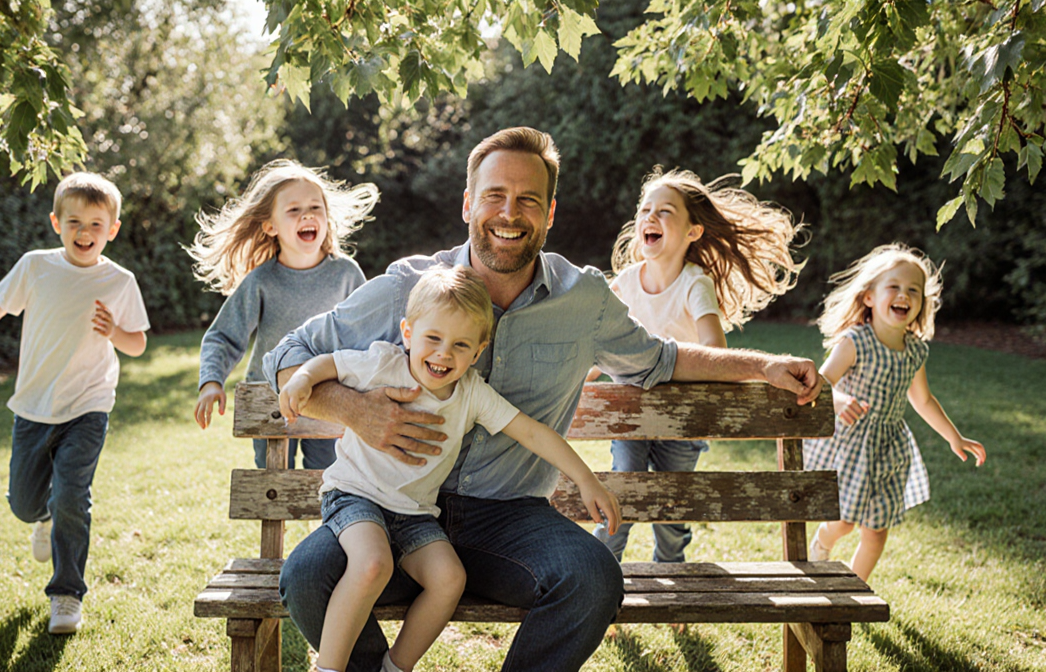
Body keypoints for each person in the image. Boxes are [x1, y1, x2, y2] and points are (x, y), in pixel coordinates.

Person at [265, 126, 822, 672]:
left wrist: (765, 365)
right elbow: (288, 357)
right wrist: (356, 411)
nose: (510, 213)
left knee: (592, 577)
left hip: (508, 519)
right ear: (468, 204)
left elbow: (663, 360)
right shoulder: (410, 288)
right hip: (388, 509)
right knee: (308, 576)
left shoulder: (583, 300)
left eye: (528, 200)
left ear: (549, 214)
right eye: (495, 197)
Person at [279, 265, 621, 672]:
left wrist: (584, 477)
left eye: (461, 345)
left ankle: (394, 667)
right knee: (372, 564)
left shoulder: (472, 393)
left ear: (478, 352)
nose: (443, 354)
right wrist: (301, 379)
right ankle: (329, 669)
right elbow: (328, 363)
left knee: (448, 580)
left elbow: (531, 432)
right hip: (357, 497)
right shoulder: (384, 365)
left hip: (415, 514)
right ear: (408, 333)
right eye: (433, 338)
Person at [0, 172, 149, 634]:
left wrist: (114, 332)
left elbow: (137, 343)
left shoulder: (120, 281)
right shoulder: (36, 266)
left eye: (96, 224)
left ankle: (66, 595)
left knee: (73, 497)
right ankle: (41, 516)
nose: (85, 233)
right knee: (23, 502)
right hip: (34, 407)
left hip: (89, 405)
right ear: (56, 222)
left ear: (112, 229)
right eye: (74, 221)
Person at [589, 167, 805, 563]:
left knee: (673, 510)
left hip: (681, 421)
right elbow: (596, 351)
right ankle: (603, 576)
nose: (650, 217)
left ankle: (672, 575)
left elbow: (714, 352)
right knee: (623, 494)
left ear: (693, 232)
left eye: (665, 211)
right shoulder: (624, 284)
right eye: (644, 210)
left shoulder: (694, 284)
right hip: (631, 417)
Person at [803, 243, 986, 581]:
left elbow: (924, 400)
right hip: (852, 445)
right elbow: (821, 382)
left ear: (920, 304)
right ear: (869, 296)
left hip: (890, 449)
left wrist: (954, 437)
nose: (904, 295)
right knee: (843, 522)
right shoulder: (855, 342)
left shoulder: (915, 351)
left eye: (913, 290)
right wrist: (840, 401)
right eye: (895, 287)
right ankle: (821, 543)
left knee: (875, 532)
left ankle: (852, 592)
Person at [189, 159, 378, 469]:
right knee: (273, 485)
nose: (307, 215)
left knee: (329, 483)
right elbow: (223, 336)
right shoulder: (261, 281)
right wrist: (211, 381)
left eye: (315, 207)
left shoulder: (346, 274)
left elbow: (368, 333)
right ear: (270, 226)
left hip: (329, 395)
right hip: (269, 397)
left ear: (326, 218)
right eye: (293, 210)